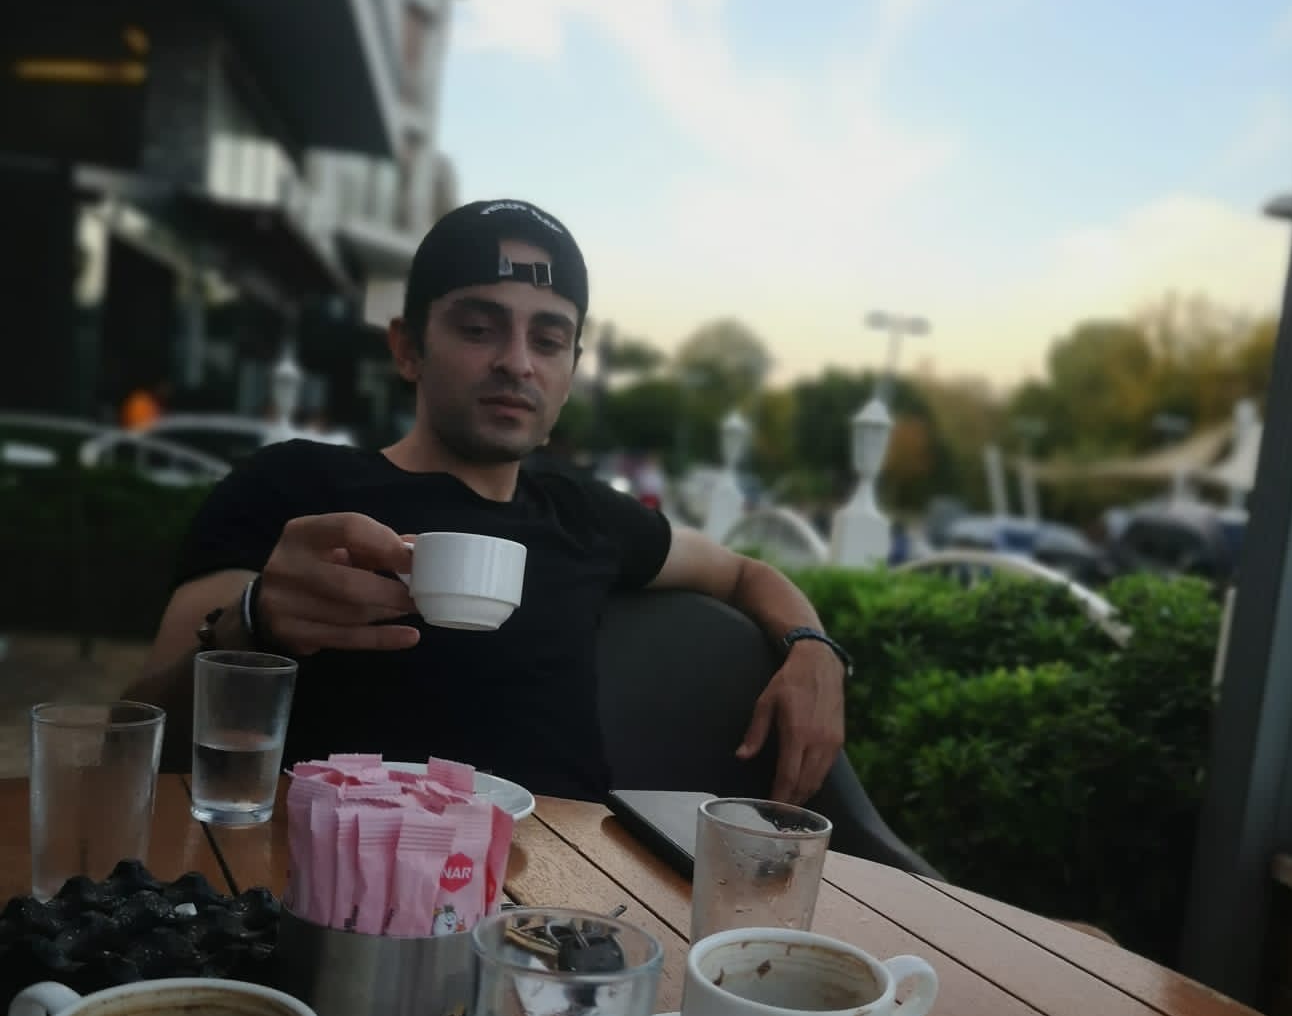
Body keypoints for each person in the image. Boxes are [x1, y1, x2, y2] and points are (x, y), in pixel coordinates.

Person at [127, 199, 847, 803]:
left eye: (549, 339)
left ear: (570, 372)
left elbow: (744, 573)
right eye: (478, 328)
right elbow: (141, 733)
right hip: (325, 877)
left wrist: (813, 650)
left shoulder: (586, 514)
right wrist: (252, 623)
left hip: (562, 892)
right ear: (408, 348)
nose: (517, 361)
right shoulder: (291, 488)